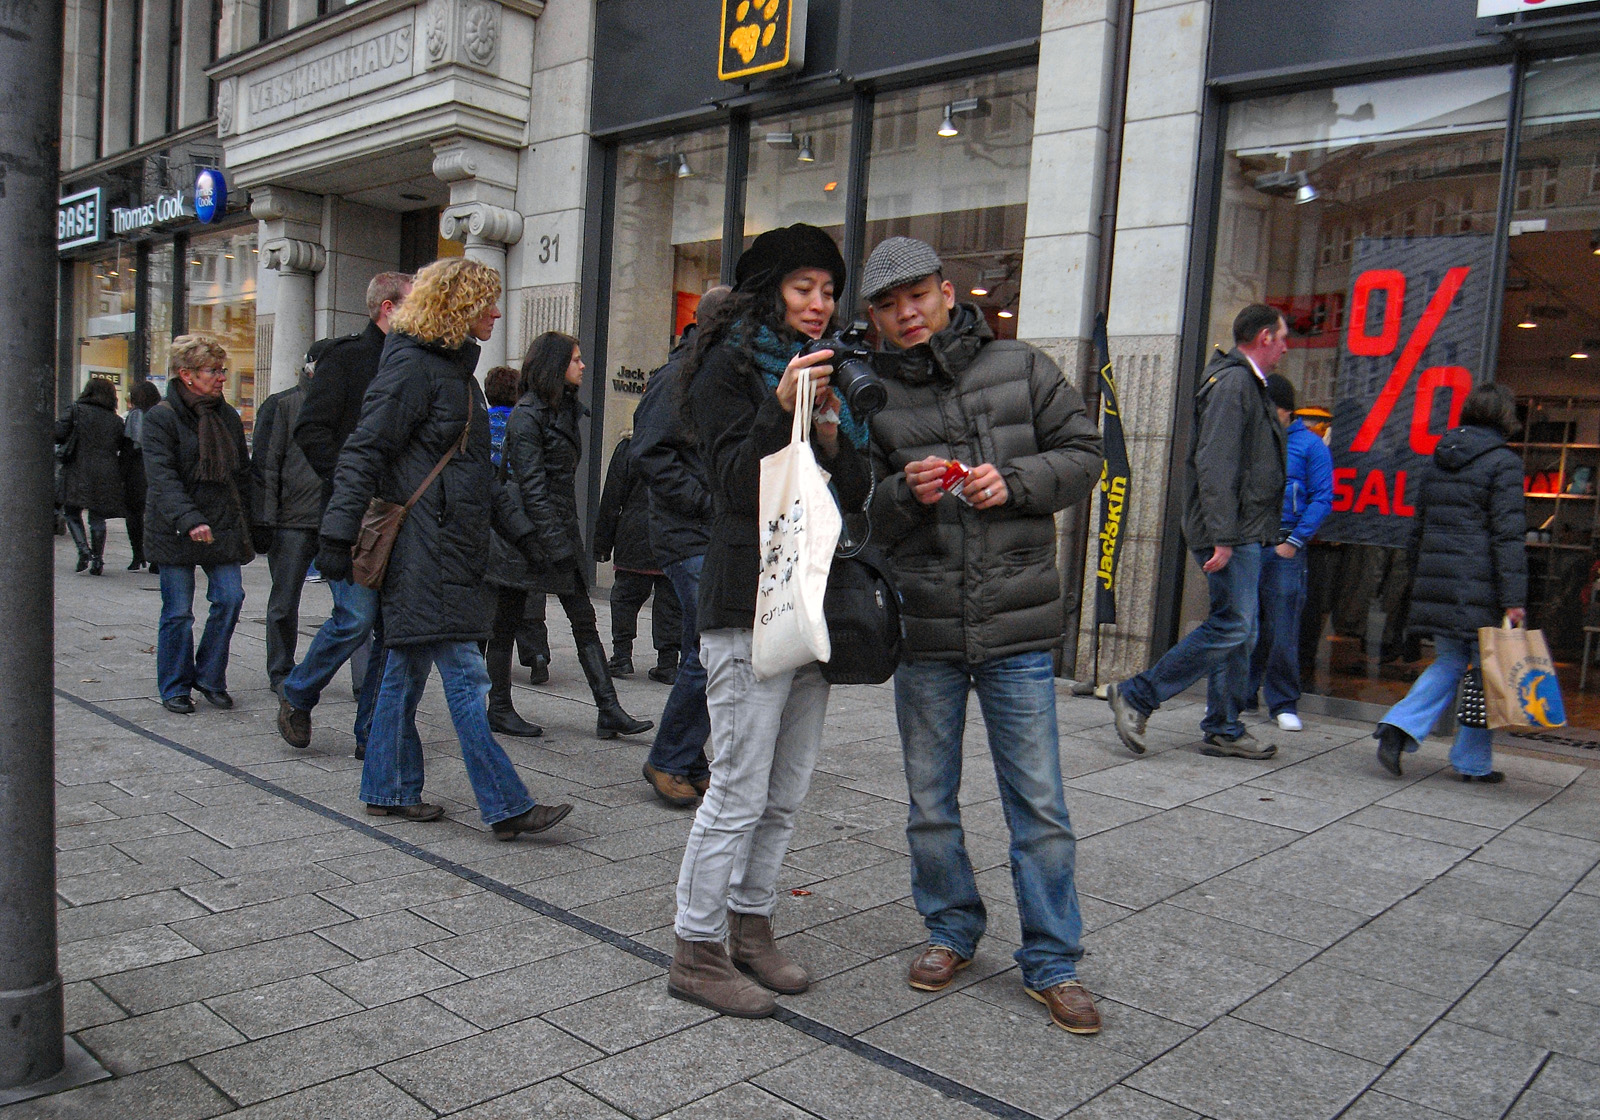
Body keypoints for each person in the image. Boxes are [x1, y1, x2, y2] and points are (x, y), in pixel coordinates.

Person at [861, 237, 1104, 1035]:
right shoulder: (875, 396)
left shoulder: (1021, 365)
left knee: (1038, 804)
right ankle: (950, 929)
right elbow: (861, 512)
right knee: (930, 802)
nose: (907, 314)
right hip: (925, 625)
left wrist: (1020, 481)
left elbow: (1083, 454)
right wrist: (903, 490)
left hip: (1017, 624)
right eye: (889, 306)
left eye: (918, 296)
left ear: (946, 289)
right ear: (875, 317)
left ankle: (1053, 961)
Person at [667, 224, 870, 1019]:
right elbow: (728, 484)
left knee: (784, 792)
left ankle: (750, 928)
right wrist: (778, 408)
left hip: (812, 603)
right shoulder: (725, 364)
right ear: (770, 290)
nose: (819, 305)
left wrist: (825, 431)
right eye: (803, 289)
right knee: (739, 789)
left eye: (827, 291)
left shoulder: (830, 373)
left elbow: (851, 488)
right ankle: (695, 948)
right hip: (743, 605)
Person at [319, 257, 570, 838]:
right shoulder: (414, 369)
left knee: (403, 670)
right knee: (465, 675)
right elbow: (364, 450)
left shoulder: (453, 375)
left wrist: (530, 538)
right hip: (424, 551)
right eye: (488, 303)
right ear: (459, 307)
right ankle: (506, 804)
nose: (497, 313)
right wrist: (335, 533)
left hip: (447, 548)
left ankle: (386, 787)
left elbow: (478, 475)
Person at [1107, 304, 1288, 760]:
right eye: (1283, 338)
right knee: (1232, 625)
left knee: (1241, 629)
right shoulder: (1233, 384)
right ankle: (1139, 694)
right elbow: (1216, 461)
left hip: (1240, 527)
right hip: (1230, 529)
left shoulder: (1243, 383)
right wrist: (1223, 535)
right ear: (1265, 337)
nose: (1286, 348)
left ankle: (1224, 727)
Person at [276, 272, 411, 755]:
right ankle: (297, 691)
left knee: (386, 629)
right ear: (388, 308)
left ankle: (369, 731)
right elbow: (311, 431)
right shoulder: (349, 357)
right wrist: (350, 478)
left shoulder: (411, 362)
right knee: (356, 617)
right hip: (352, 513)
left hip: (398, 516)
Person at [494, 332, 653, 740]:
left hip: (553, 530)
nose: (583, 365)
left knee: (582, 620)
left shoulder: (562, 410)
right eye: (576, 359)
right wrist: (553, 544)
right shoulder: (527, 415)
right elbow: (531, 487)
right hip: (526, 538)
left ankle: (608, 708)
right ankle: (498, 707)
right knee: (507, 621)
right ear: (554, 365)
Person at [1374, 384, 1527, 783]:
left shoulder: (1439, 459)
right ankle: (1471, 763)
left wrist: (1418, 576)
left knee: (1451, 661)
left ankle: (1400, 727)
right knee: (1487, 672)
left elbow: (1419, 528)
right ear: (1504, 417)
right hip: (1482, 585)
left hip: (1439, 581)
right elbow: (1507, 535)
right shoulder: (1504, 463)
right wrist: (1514, 598)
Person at [631, 285, 730, 808]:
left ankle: (687, 760)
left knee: (712, 649)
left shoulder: (707, 375)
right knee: (709, 650)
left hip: (704, 534)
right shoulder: (678, 377)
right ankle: (669, 758)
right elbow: (649, 453)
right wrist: (709, 502)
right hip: (688, 535)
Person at [141, 336, 261, 714]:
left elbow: (240, 473)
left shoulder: (225, 416)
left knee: (230, 597)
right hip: (175, 526)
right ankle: (175, 685)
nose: (222, 377)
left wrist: (253, 521)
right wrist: (190, 519)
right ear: (187, 375)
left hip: (221, 524)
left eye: (222, 370)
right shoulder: (161, 417)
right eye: (214, 371)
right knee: (178, 611)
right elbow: (162, 478)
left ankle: (209, 676)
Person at [1243, 374, 1332, 732]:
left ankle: (1282, 702)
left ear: (1285, 410)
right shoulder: (1255, 440)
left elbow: (1322, 497)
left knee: (1282, 627)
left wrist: (1293, 542)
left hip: (1283, 543)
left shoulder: (1311, 446)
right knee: (1246, 624)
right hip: (1252, 541)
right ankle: (1243, 695)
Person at [478, 364, 545, 738]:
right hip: (508, 531)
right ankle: (497, 704)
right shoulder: (523, 426)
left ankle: (483, 705)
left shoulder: (484, 423)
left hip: (484, 533)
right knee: (504, 622)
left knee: (482, 627)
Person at [251, 370, 325, 694]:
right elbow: (266, 465)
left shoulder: (344, 404)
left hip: (333, 519)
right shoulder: (281, 405)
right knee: (284, 601)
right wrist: (265, 521)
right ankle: (280, 670)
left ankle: (363, 680)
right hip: (292, 521)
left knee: (356, 610)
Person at [594, 431, 683, 683]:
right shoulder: (680, 446)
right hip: (671, 536)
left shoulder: (629, 447)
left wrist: (602, 542)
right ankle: (668, 663)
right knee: (670, 603)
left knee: (625, 598)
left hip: (634, 534)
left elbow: (612, 497)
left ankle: (622, 657)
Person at [55, 377, 128, 576]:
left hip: (78, 467)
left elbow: (59, 433)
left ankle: (84, 550)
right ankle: (98, 559)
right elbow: (123, 445)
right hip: (106, 471)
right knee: (97, 516)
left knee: (71, 510)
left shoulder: (77, 410)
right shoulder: (115, 420)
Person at [122, 380, 162, 571]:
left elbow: (131, 444)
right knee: (155, 515)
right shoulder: (163, 413)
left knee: (134, 514)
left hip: (138, 468)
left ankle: (138, 555)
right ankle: (155, 558)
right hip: (157, 467)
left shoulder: (135, 416)